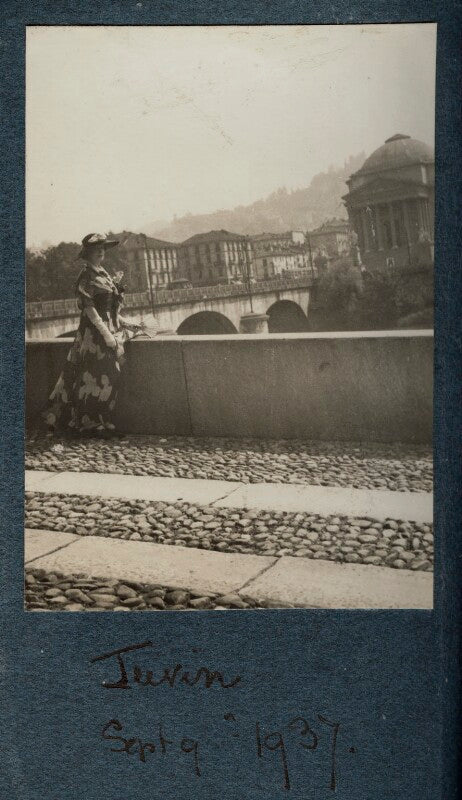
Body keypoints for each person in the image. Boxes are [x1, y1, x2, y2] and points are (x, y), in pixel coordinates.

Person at [43, 232, 140, 437]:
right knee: (97, 376)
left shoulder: (103, 273)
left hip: (108, 329)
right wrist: (106, 334)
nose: (101, 252)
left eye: (103, 249)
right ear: (87, 253)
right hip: (93, 335)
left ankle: (102, 421)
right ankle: (90, 424)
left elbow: (109, 308)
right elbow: (90, 310)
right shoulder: (86, 275)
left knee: (108, 375)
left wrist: (124, 322)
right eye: (96, 250)